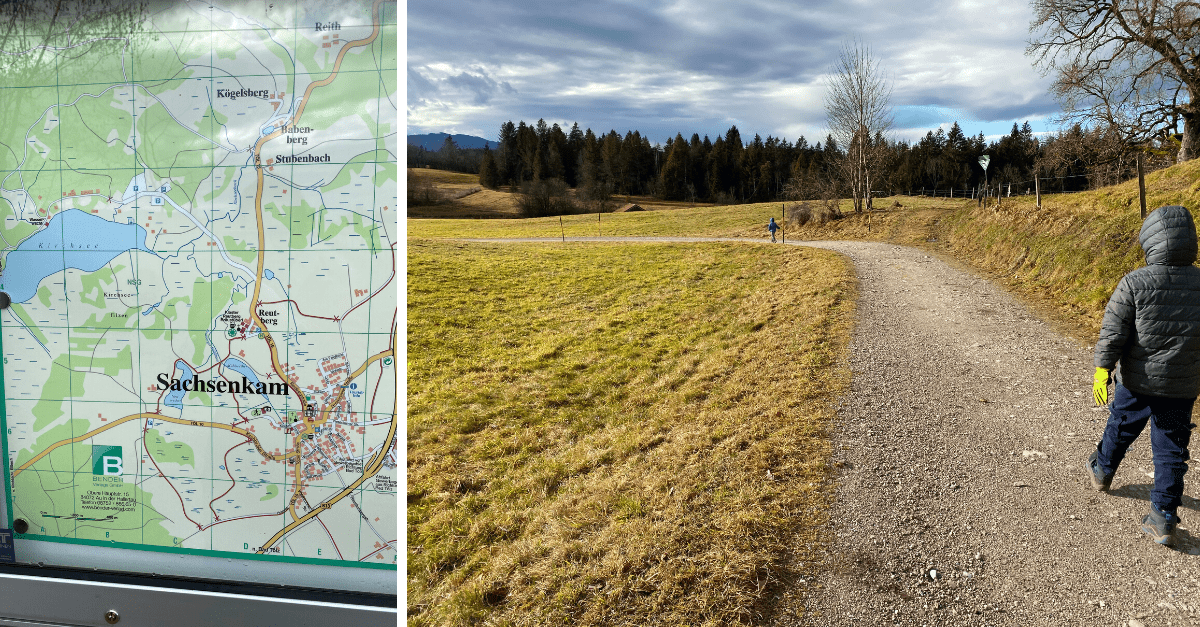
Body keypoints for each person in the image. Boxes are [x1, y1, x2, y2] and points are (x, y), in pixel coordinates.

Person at [1088, 205, 1200, 547]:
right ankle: (1163, 517)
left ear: (1150, 241)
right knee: (1170, 449)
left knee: (1120, 425)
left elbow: (1113, 333)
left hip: (1136, 382)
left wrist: (1102, 370)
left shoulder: (1135, 282)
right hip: (1182, 386)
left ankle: (1103, 469)